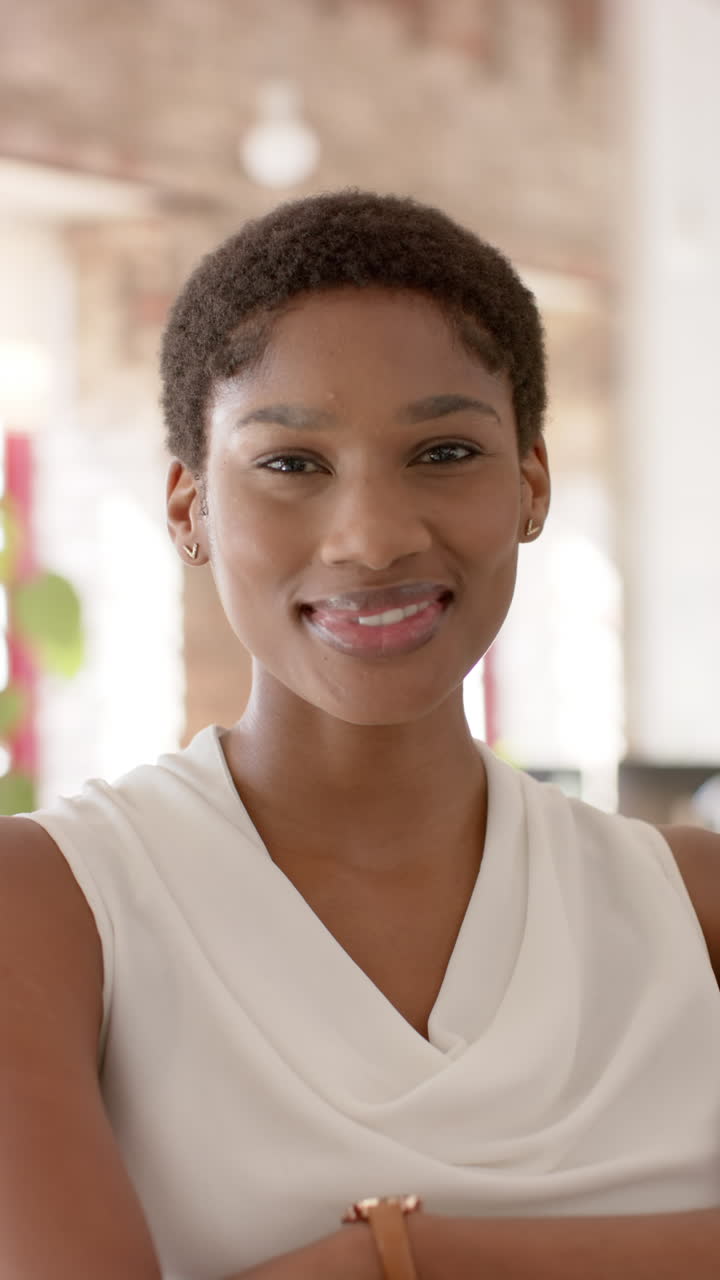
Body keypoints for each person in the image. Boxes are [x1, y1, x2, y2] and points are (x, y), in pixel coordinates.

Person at [2, 190, 719, 1280]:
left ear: (530, 483)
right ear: (190, 507)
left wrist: (400, 1251)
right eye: (291, 463)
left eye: (443, 451)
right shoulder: (50, 905)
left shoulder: (693, 906)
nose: (375, 535)